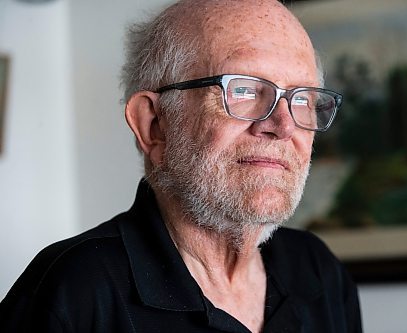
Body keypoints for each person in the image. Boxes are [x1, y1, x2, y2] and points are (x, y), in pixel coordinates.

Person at [0, 0, 362, 332]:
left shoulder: (318, 271)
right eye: (243, 90)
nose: (283, 126)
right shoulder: (73, 292)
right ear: (154, 124)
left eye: (303, 99)